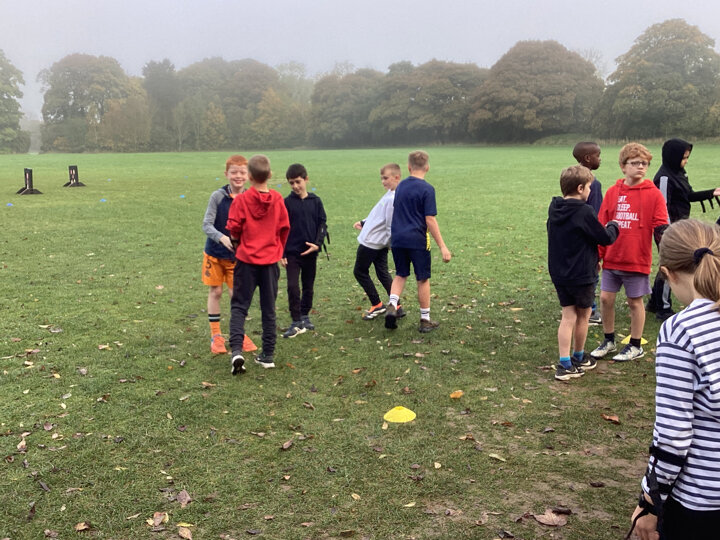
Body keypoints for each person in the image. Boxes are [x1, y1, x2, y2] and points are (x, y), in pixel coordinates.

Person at [627, 219, 720, 540]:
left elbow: (674, 435)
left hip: (702, 499)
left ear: (668, 273)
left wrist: (650, 501)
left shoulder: (682, 330)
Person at [591, 143, 668, 362]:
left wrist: (667, 257)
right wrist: (597, 255)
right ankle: (609, 340)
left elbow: (662, 229)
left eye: (644, 163)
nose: (641, 167)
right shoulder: (613, 192)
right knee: (606, 299)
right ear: (623, 166)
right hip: (612, 258)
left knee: (635, 302)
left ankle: (635, 345)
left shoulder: (654, 195)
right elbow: (601, 226)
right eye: (635, 163)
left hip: (637, 259)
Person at [547, 165, 619, 381]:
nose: (590, 191)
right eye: (589, 187)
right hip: (581, 274)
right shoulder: (584, 212)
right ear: (580, 188)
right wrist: (613, 226)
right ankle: (578, 356)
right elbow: (604, 237)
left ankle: (564, 362)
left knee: (567, 315)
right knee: (584, 315)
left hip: (560, 274)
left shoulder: (555, 209)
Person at [226, 155, 290, 374]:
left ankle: (236, 351)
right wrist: (278, 249)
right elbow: (284, 228)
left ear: (249, 177)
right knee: (268, 308)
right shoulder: (278, 199)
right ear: (270, 175)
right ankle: (267, 355)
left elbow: (234, 228)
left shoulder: (241, 201)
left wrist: (237, 244)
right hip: (270, 262)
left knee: (239, 306)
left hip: (246, 261)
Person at [645, 138, 720, 321]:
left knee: (667, 265)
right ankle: (663, 308)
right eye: (683, 158)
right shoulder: (664, 178)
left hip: (680, 227)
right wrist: (668, 233)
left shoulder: (679, 173)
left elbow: (689, 195)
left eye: (687, 157)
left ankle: (654, 303)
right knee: (672, 266)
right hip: (668, 230)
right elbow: (662, 207)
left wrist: (712, 192)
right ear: (673, 156)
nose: (686, 161)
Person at [384, 150, 451, 333]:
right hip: (417, 240)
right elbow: (430, 219)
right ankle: (425, 319)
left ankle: (392, 304)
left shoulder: (400, 187)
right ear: (427, 167)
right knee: (422, 278)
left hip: (398, 239)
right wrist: (442, 246)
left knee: (400, 274)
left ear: (408, 167)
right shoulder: (427, 189)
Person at [201, 155, 256, 355]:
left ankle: (238, 334)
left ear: (248, 175)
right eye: (234, 172)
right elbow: (206, 224)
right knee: (216, 292)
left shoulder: (251, 198)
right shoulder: (217, 196)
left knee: (236, 296)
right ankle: (216, 336)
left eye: (242, 172)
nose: (238, 176)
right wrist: (221, 238)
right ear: (226, 174)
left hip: (237, 258)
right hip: (214, 254)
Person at [281, 163, 327, 338]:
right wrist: (282, 252)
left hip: (310, 253)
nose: (295, 186)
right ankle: (295, 320)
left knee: (308, 286)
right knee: (293, 286)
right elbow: (280, 229)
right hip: (292, 253)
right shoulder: (286, 203)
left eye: (298, 182)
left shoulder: (315, 201)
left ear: (306, 179)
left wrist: (317, 244)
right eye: (291, 183)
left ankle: (305, 315)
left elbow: (322, 223)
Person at [353, 163, 403, 320]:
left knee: (359, 271)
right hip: (379, 242)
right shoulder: (390, 193)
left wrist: (391, 243)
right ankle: (397, 306)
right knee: (382, 272)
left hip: (372, 242)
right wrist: (364, 222)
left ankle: (377, 305)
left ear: (396, 177)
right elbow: (378, 214)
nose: (383, 181)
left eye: (386, 178)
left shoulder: (393, 198)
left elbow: (390, 225)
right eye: (382, 178)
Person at [573, 141, 604, 325]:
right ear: (587, 158)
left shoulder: (572, 177)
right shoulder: (594, 183)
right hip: (589, 235)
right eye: (597, 155)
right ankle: (590, 309)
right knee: (591, 273)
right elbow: (596, 213)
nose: (600, 159)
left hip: (574, 234)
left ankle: (577, 305)